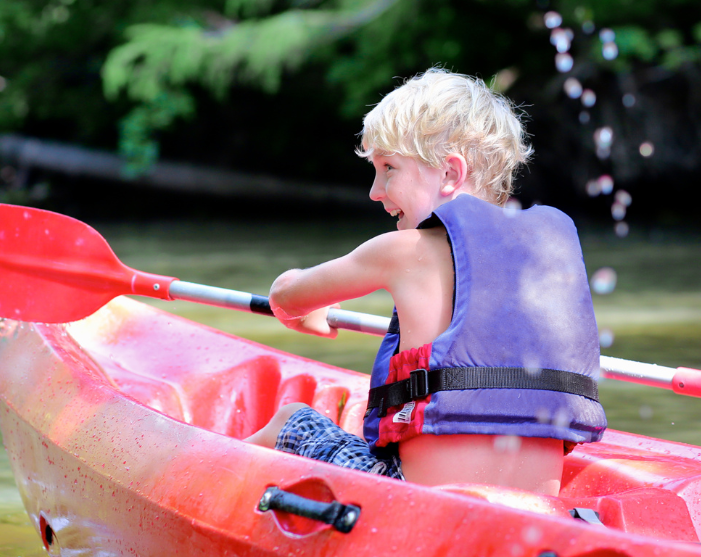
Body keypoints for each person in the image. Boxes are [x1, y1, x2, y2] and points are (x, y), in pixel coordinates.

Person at [244, 69, 607, 496]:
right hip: (533, 507)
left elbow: (286, 296)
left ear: (451, 174)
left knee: (291, 420)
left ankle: (209, 485)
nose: (375, 192)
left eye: (388, 169)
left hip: (419, 502)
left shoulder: (404, 250)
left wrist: (303, 308)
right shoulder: (545, 255)